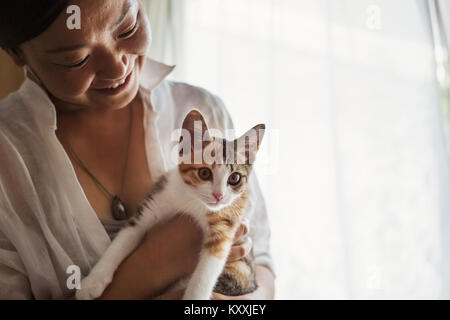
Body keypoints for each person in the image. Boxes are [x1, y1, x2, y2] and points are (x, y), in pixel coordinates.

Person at [0, 0, 274, 299]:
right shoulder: (8, 160)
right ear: (16, 52)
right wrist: (152, 265)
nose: (118, 66)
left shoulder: (204, 111)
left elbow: (260, 263)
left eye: (127, 27)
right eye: (77, 59)